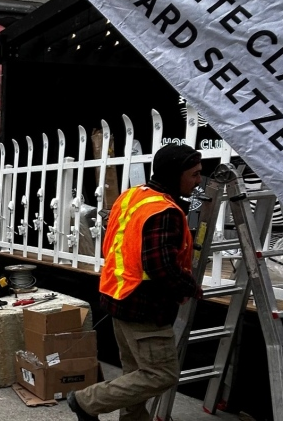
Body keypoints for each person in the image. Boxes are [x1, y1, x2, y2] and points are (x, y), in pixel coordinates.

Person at [68, 143, 203, 421]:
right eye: (194, 174)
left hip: (119, 295)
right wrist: (190, 287)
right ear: (175, 174)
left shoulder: (133, 196)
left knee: (134, 375)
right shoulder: (163, 211)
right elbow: (160, 266)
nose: (199, 180)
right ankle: (85, 401)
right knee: (160, 374)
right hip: (144, 307)